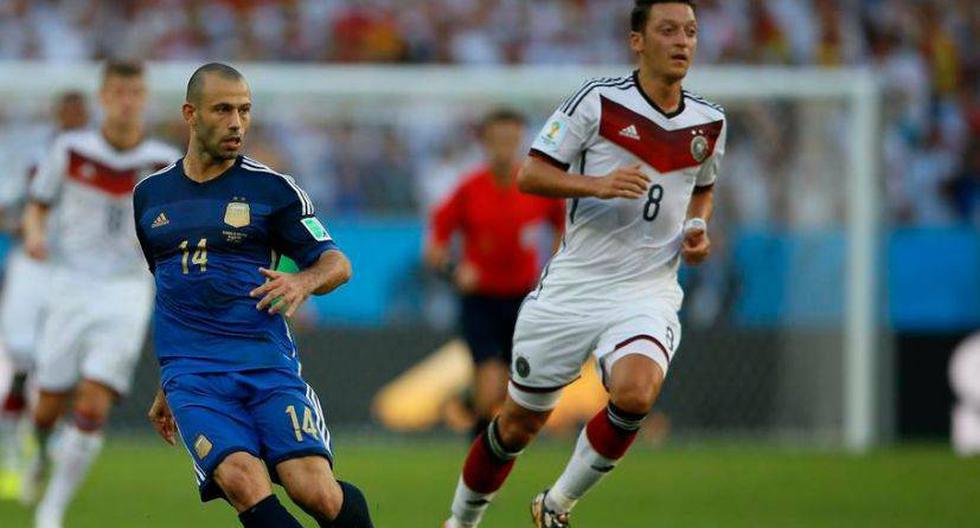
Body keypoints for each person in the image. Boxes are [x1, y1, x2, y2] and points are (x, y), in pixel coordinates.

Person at [443, 2, 726, 527]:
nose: (682, 41)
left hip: (648, 289)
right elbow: (532, 175)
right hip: (574, 288)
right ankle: (461, 520)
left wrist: (697, 228)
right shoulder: (597, 102)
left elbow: (702, 189)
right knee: (516, 427)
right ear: (637, 41)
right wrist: (597, 182)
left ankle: (556, 505)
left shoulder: (709, 122)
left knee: (636, 393)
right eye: (668, 30)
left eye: (690, 31)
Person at [135, 63, 373, 528]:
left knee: (315, 491)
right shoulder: (149, 196)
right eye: (223, 109)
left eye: (245, 110)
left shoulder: (272, 190)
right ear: (190, 113)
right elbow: (172, 288)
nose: (237, 123)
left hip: (265, 366)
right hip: (194, 376)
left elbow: (336, 263)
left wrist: (301, 281)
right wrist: (170, 384)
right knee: (242, 480)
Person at [22, 61, 179, 528]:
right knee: (49, 401)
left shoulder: (162, 162)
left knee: (93, 401)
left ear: (144, 98)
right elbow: (39, 205)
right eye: (119, 92)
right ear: (104, 98)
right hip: (70, 284)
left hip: (127, 290)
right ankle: (37, 449)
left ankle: (53, 508)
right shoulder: (70, 150)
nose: (127, 100)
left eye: (135, 92)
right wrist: (34, 234)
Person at [424, 109, 564, 439]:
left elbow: (564, 226)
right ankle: (480, 459)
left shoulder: (536, 186)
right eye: (497, 141)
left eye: (512, 141)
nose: (505, 149)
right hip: (482, 300)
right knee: (491, 388)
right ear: (485, 143)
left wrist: (555, 267)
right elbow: (434, 248)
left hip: (524, 299)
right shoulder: (469, 190)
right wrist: (454, 269)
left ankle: (469, 405)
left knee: (511, 390)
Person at [0, 91, 88, 501]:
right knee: (20, 356)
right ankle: (12, 451)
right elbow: (8, 208)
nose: (72, 118)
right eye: (67, 111)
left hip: (70, 270)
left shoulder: (95, 159)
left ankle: (45, 442)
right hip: (32, 266)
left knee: (62, 358)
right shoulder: (32, 153)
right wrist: (23, 224)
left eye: (79, 113)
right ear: (58, 114)